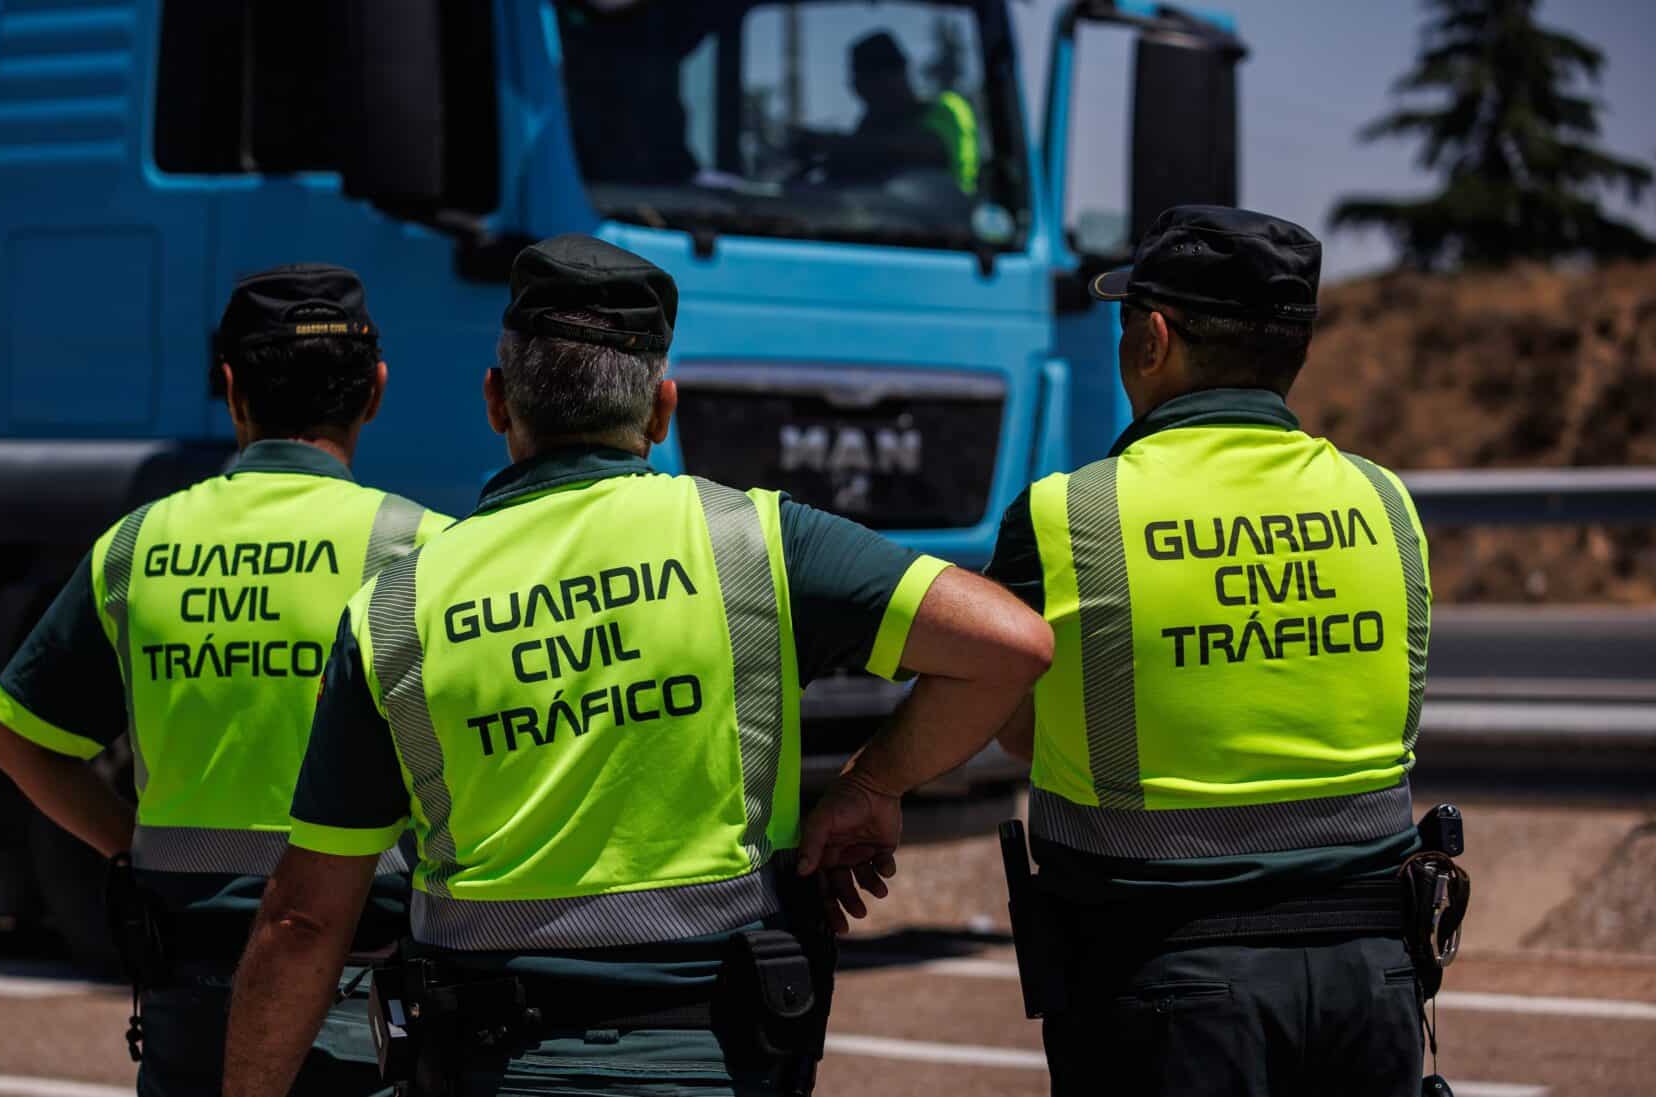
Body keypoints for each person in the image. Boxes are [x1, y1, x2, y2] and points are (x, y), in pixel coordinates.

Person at [222, 234, 1052, 1097]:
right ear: (662, 410)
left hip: (492, 1068)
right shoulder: (754, 542)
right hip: (718, 1063)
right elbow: (1012, 645)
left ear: (497, 402)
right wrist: (875, 782)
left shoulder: (397, 606)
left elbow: (301, 919)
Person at [984, 205, 1437, 1096]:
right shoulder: (1389, 505)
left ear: (1153, 338)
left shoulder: (1066, 516)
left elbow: (1009, 727)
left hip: (1165, 983)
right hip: (1375, 979)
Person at [0, 265, 449, 1097]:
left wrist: (130, 841)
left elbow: (10, 735)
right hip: (359, 991)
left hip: (186, 992)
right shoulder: (422, 550)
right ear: (373, 391)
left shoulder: (138, 545)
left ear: (229, 389)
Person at [810, 30, 978, 194]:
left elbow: (928, 148)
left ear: (898, 74)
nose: (860, 92)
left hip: (950, 215)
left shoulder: (948, 109)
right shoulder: (872, 125)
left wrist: (834, 143)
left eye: (869, 83)